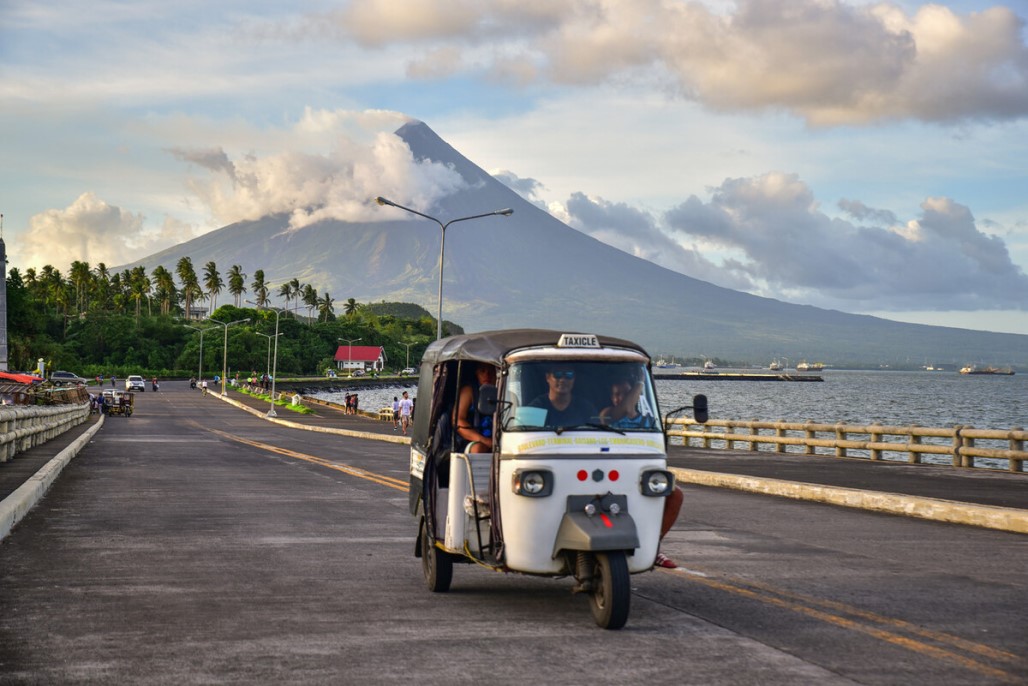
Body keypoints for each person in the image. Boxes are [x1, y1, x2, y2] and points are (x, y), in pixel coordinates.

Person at [600, 377, 682, 568]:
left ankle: (653, 545)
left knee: (675, 495)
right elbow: (625, 409)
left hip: (635, 472)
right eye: (615, 394)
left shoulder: (647, 421)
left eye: (624, 393)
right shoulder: (606, 416)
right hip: (609, 471)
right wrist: (638, 381)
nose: (619, 398)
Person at [527, 365, 597, 426]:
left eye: (569, 375)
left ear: (574, 378)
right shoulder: (536, 408)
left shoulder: (585, 409)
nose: (563, 380)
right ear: (547, 377)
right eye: (557, 374)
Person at [455, 362, 496, 453]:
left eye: (491, 371)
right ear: (476, 373)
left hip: (501, 439)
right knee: (478, 449)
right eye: (483, 371)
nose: (487, 375)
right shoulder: (469, 391)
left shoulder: (506, 393)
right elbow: (458, 421)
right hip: (472, 440)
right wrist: (484, 440)